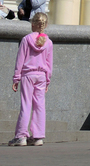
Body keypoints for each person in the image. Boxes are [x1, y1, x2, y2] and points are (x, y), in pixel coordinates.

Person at [8, 12, 53, 146]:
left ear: (32, 24)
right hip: (42, 76)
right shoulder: (49, 42)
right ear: (45, 25)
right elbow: (49, 64)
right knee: (39, 106)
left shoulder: (26, 39)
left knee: (26, 104)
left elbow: (20, 60)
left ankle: (21, 136)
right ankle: (38, 136)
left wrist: (16, 78)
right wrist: (47, 80)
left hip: (28, 75)